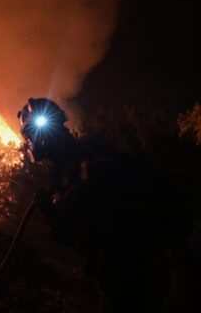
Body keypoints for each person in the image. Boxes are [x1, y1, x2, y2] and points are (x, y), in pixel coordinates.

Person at [17, 98, 192, 312]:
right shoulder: (61, 173)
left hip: (134, 265)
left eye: (29, 135)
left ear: (40, 134)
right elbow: (70, 233)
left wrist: (58, 204)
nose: (30, 142)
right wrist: (52, 209)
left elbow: (99, 200)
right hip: (116, 270)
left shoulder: (87, 159)